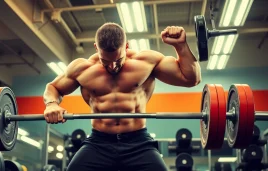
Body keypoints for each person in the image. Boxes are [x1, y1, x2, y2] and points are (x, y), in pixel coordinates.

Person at [43, 22, 201, 171]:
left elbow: (191, 79)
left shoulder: (146, 62)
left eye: (118, 60)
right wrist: (51, 104)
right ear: (96, 48)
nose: (112, 67)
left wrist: (180, 46)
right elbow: (53, 87)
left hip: (138, 142)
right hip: (99, 142)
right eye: (106, 61)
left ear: (126, 46)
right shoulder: (82, 69)